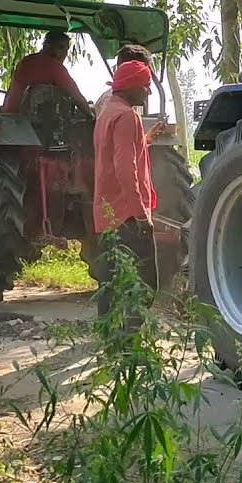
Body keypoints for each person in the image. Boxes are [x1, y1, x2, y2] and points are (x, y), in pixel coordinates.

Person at [91, 57, 160, 318]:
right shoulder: (128, 116)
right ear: (131, 86)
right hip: (128, 217)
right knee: (144, 284)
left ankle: (111, 343)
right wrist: (141, 215)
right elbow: (124, 168)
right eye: (145, 86)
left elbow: (116, 154)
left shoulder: (107, 113)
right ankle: (131, 344)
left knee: (109, 283)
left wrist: (145, 140)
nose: (148, 91)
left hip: (106, 214)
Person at [1, 30, 91, 115]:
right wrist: (90, 115)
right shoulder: (55, 67)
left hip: (9, 117)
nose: (64, 54)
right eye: (61, 48)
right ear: (47, 46)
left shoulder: (26, 61)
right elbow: (77, 97)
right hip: (28, 124)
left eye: (66, 50)